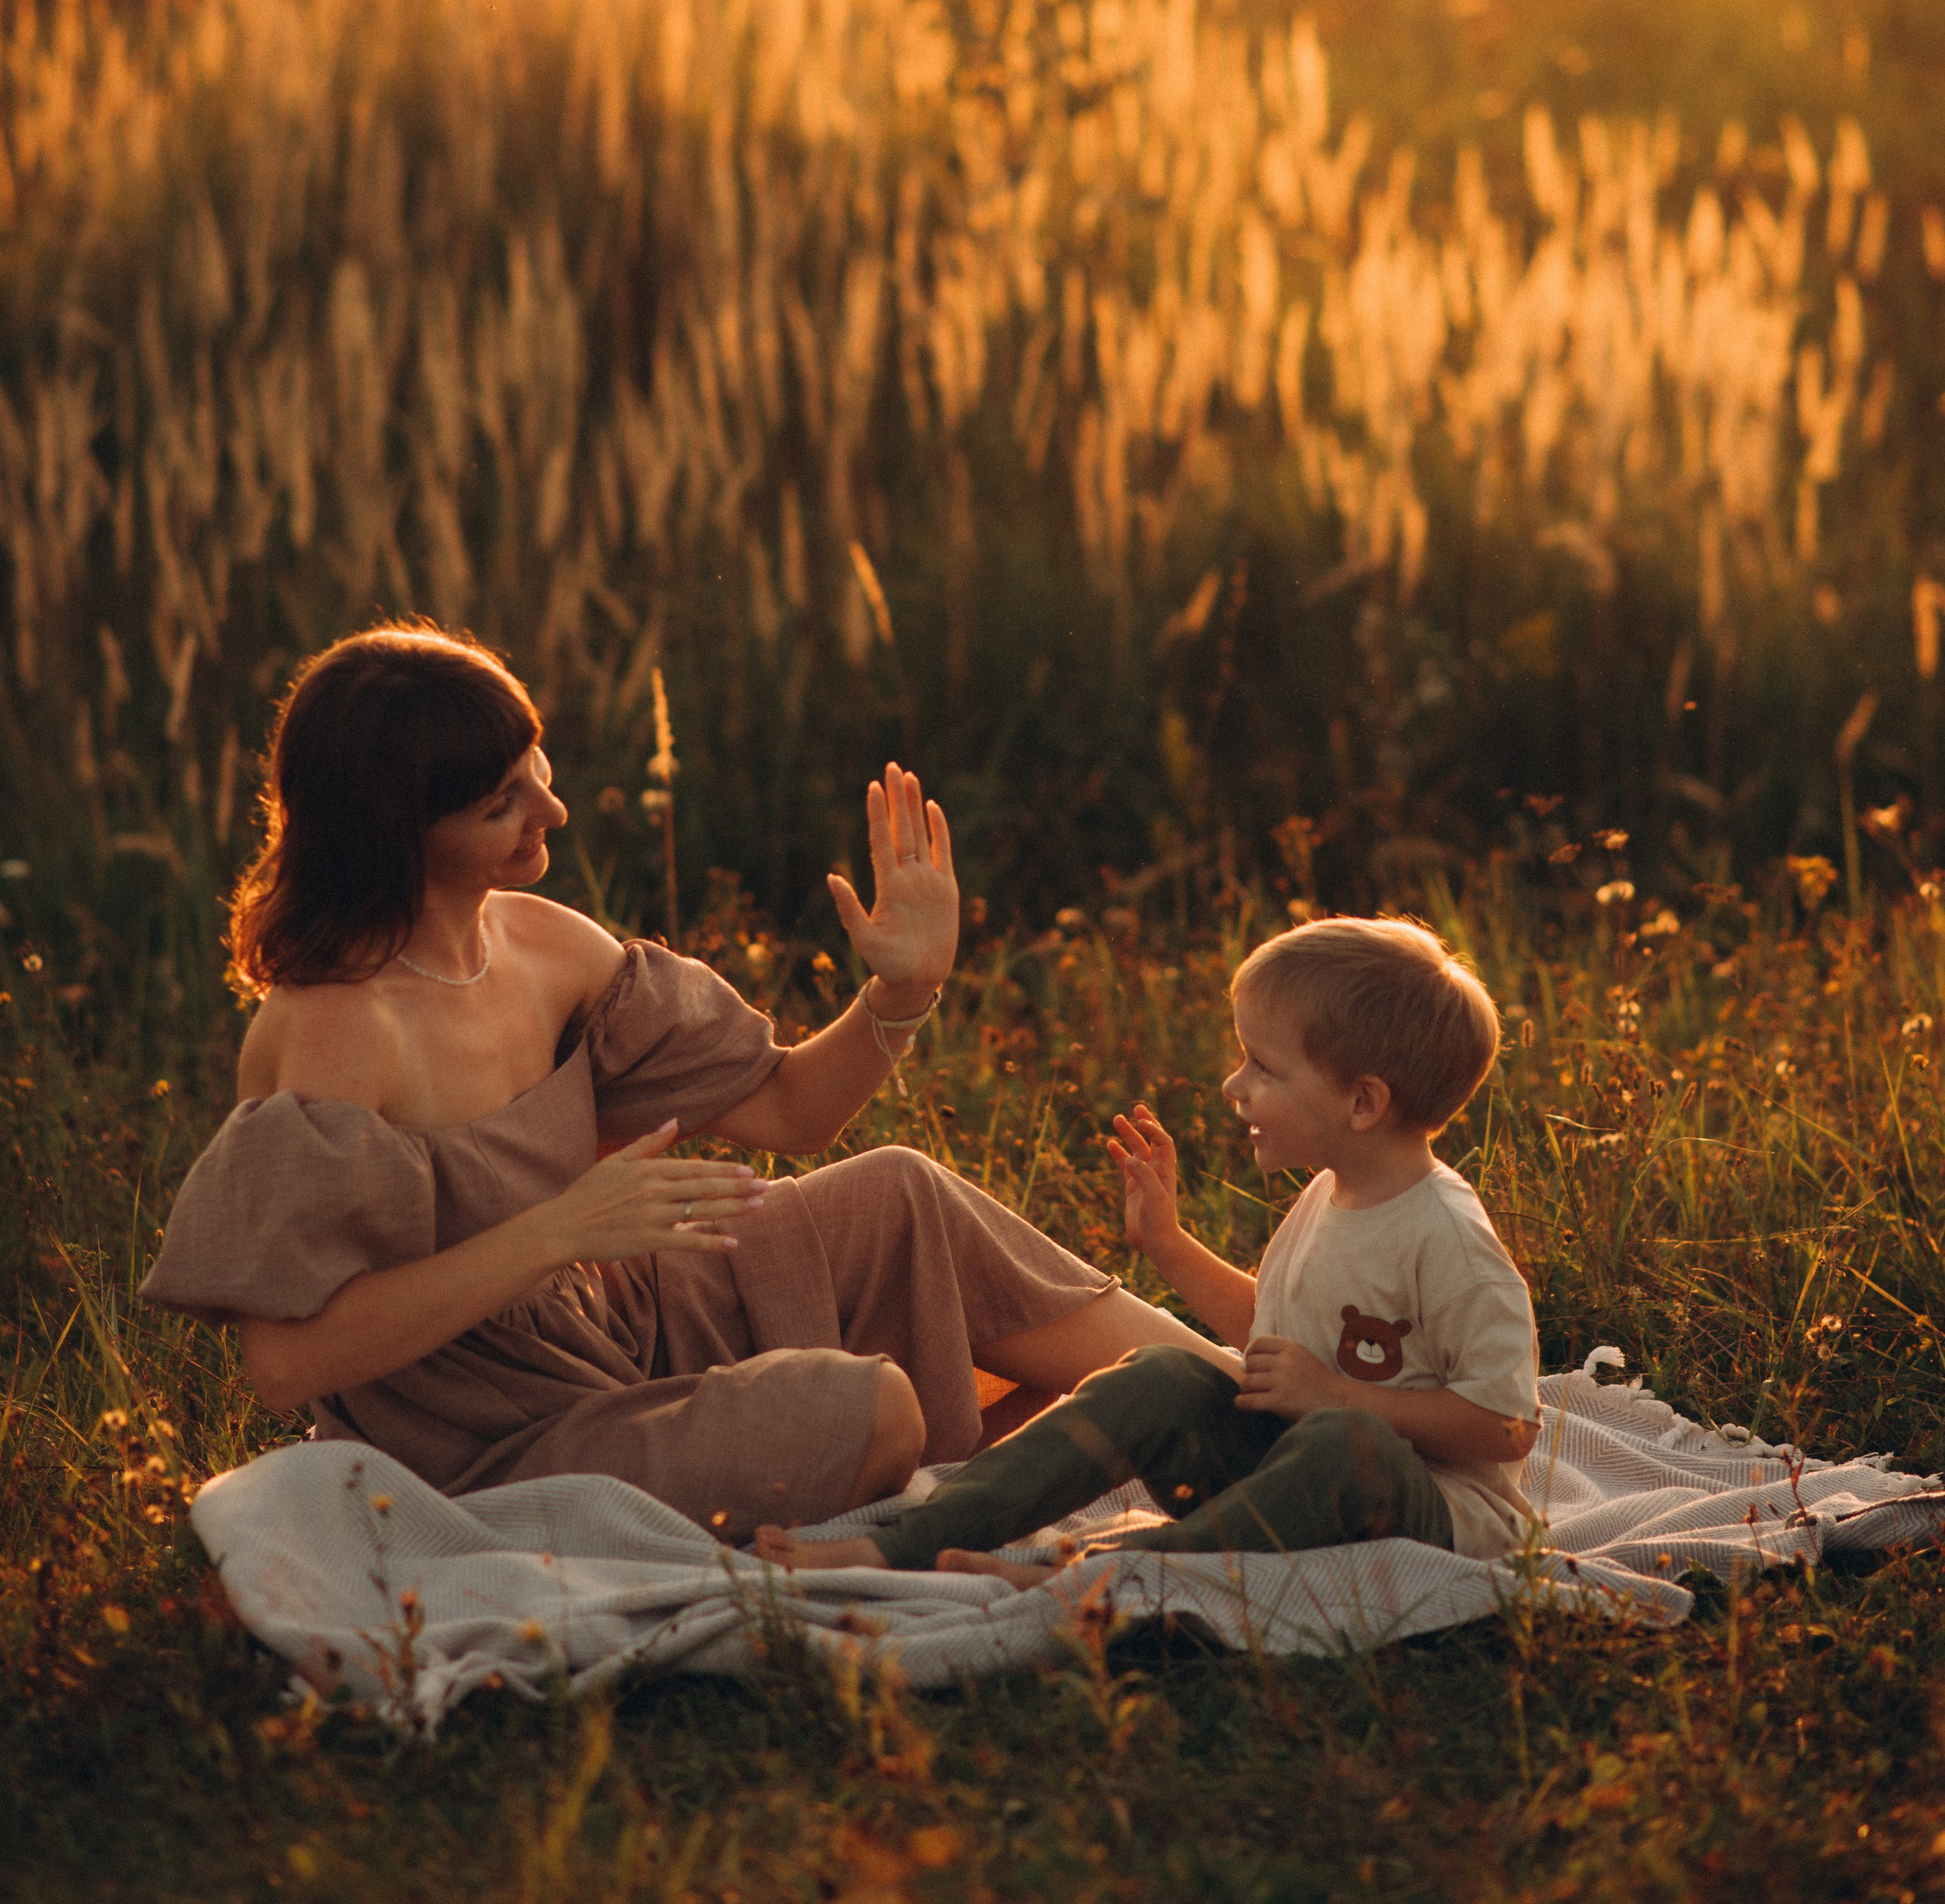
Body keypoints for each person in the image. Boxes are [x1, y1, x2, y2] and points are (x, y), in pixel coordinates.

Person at [139, 624, 1229, 1545]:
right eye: (501, 805)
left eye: (539, 770)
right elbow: (290, 1361)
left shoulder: (545, 945)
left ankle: (1259, 1405)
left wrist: (902, 995)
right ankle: (1060, 1467)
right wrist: (559, 1230)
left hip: (617, 1317)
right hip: (493, 1441)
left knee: (904, 1193)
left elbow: (794, 1111)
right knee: (872, 1413)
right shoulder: (338, 1028)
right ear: (396, 835)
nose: (550, 815)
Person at [755, 916, 1540, 1583]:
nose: (1234, 1087)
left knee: (1347, 1440)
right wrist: (1166, 1244)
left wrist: (1347, 1400)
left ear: (1363, 1102)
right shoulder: (1331, 1194)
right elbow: (1273, 1339)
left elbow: (1507, 1427)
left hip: (1429, 1515)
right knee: (1161, 1374)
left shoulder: (1448, 1239)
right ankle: (910, 1543)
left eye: (1263, 1067)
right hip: (1289, 1475)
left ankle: (1114, 1575)